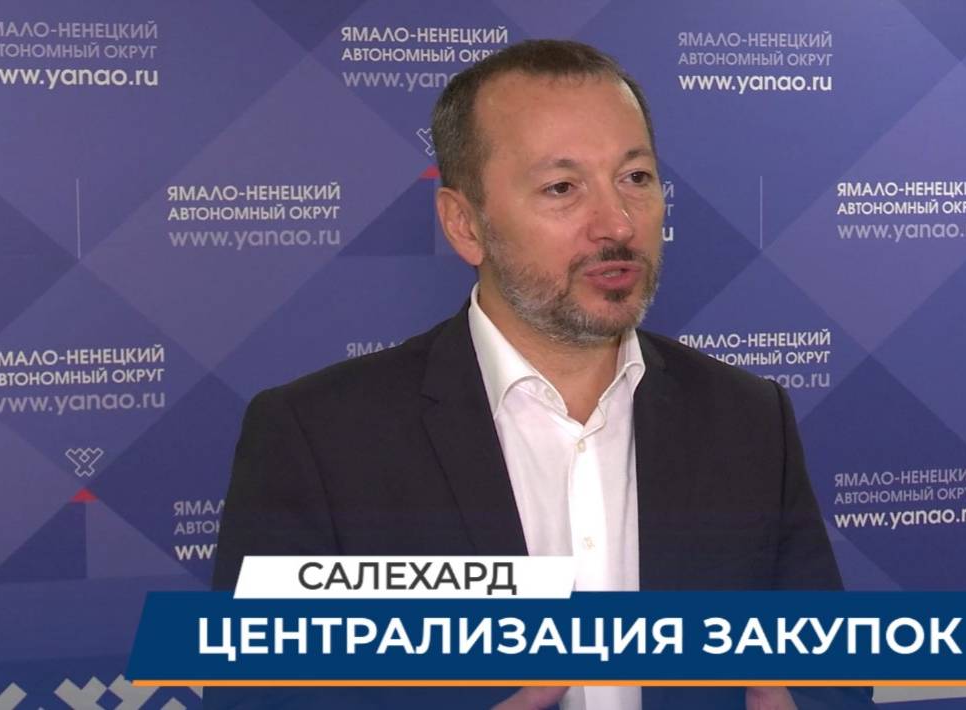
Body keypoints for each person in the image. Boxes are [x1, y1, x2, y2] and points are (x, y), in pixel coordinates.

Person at [210, 39, 873, 710]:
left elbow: (831, 681)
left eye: (635, 177)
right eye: (562, 188)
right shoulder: (319, 440)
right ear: (465, 225)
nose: (617, 224)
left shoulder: (748, 418)